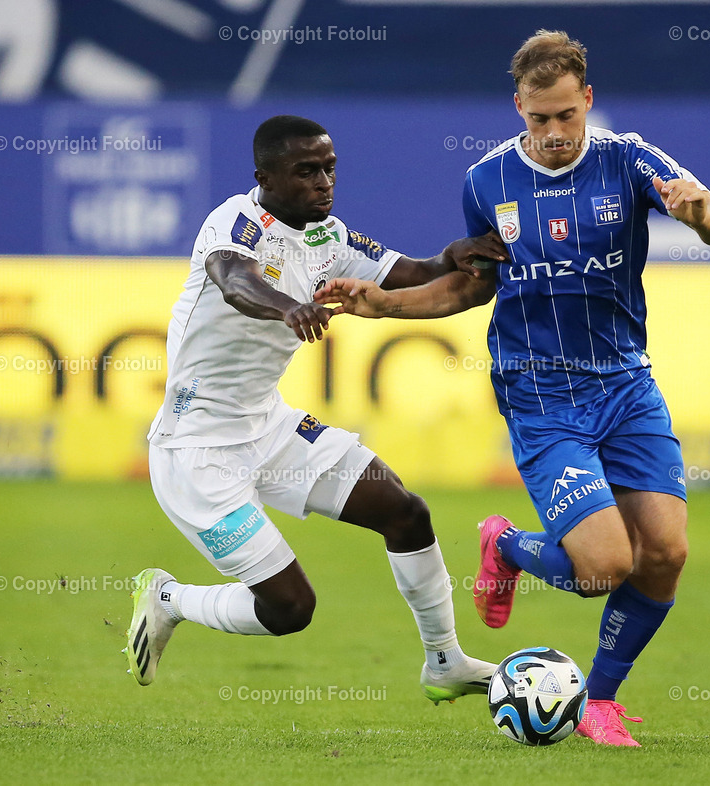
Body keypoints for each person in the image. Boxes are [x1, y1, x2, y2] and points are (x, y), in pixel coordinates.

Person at [314, 31, 710, 746]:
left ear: (588, 102)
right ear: (519, 108)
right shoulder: (486, 183)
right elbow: (470, 287)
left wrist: (700, 214)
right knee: (607, 567)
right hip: (540, 394)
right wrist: (384, 304)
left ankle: (599, 704)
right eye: (539, 119)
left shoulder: (629, 159)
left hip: (626, 385)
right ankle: (507, 545)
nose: (553, 134)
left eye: (567, 116)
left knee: (665, 553)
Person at [125, 115, 507, 707]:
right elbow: (233, 279)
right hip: (196, 453)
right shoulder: (235, 222)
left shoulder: (329, 236)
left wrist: (451, 255)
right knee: (290, 609)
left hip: (269, 427)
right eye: (306, 171)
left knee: (404, 512)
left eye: (329, 168)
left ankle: (444, 661)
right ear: (266, 177)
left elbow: (411, 272)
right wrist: (286, 307)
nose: (324, 182)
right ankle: (170, 599)